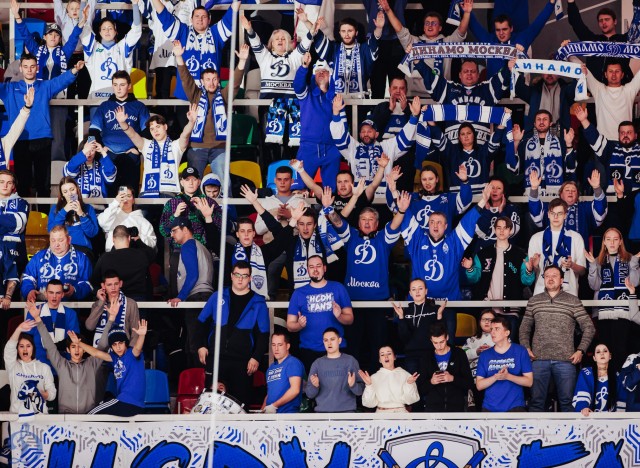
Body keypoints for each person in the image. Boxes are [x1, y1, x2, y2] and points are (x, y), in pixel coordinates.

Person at [323, 188, 409, 372]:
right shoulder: (352, 236)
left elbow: (395, 225)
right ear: (358, 222)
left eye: (371, 219)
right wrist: (329, 209)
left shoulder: (383, 239)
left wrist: (401, 211)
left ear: (377, 224)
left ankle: (376, 382)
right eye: (364, 219)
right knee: (353, 346)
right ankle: (353, 382)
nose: (367, 222)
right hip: (352, 304)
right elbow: (337, 222)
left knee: (378, 346)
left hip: (378, 304)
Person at [401, 183, 491, 341]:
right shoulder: (418, 240)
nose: (435, 225)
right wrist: (400, 204)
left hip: (448, 305)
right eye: (432, 222)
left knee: (448, 344)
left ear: (446, 226)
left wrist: (483, 201)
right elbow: (406, 217)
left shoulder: (454, 242)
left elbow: (467, 222)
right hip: (420, 305)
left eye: (439, 222)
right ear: (427, 225)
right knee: (421, 344)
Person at [11, 0, 85, 163]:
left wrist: (81, 23)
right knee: (38, 134)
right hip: (39, 97)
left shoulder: (64, 52)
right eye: (50, 34)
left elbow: (73, 38)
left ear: (60, 38)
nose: (53, 37)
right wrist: (17, 16)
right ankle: (36, 167)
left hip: (59, 98)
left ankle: (57, 168)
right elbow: (26, 35)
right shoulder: (37, 50)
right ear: (44, 36)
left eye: (56, 35)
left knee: (58, 135)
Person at [0, 53, 83, 196]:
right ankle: (25, 211)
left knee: (43, 185)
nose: (29, 69)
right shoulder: (9, 89)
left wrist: (75, 70)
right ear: (20, 68)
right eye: (26, 66)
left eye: (32, 66)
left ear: (37, 68)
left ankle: (44, 212)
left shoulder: (45, 86)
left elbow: (61, 81)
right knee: (22, 184)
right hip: (19, 139)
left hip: (43, 139)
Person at [519, 265, 596, 412]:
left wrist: (581, 350)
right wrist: (526, 348)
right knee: (536, 402)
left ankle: (569, 429)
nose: (550, 278)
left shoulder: (573, 301)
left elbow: (589, 327)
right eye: (547, 276)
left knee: (568, 403)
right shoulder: (534, 301)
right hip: (538, 359)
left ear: (561, 280)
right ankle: (536, 429)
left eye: (554, 275)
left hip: (565, 360)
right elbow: (524, 328)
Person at [172, 40, 247, 182]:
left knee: (224, 184)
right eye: (207, 79)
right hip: (197, 148)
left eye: (214, 79)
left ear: (218, 81)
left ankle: (224, 200)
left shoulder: (224, 96)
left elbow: (235, 83)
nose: (211, 83)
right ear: (202, 81)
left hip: (220, 147)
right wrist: (179, 57)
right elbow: (186, 78)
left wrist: (242, 61)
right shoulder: (196, 94)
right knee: (193, 183)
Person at [197, 261, 270, 403]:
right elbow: (201, 323)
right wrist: (201, 345)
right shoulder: (218, 296)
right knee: (211, 403)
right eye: (237, 275)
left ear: (250, 278)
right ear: (231, 276)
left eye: (244, 276)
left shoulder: (258, 302)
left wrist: (256, 357)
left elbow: (263, 334)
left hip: (242, 362)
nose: (240, 279)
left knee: (241, 403)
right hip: (216, 359)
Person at [241, 12, 314, 152]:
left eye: (283, 39)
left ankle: (290, 165)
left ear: (289, 43)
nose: (280, 41)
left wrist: (307, 23)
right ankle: (271, 165)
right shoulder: (264, 57)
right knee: (270, 145)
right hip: (269, 106)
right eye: (277, 39)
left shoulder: (294, 58)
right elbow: (255, 42)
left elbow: (307, 41)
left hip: (292, 107)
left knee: (291, 146)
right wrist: (249, 30)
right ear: (271, 43)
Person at [151, 0, 239, 101]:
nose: (200, 19)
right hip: (185, 97)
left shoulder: (216, 33)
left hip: (211, 98)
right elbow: (165, 17)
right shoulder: (183, 32)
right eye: (197, 16)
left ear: (209, 20)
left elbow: (230, 17)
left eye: (204, 17)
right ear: (191, 19)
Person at [464, 216, 534, 337]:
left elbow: (526, 281)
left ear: (510, 231)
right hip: (488, 308)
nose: (502, 231)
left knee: (509, 343)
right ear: (494, 230)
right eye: (499, 228)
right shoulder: (483, 254)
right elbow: (474, 278)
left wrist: (529, 270)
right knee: (486, 343)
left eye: (505, 228)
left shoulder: (520, 255)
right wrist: (470, 268)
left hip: (511, 310)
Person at [414, 57, 510, 145]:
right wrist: (417, 61)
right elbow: (429, 76)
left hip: (481, 149)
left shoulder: (487, 89)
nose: (469, 74)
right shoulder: (449, 89)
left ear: (478, 75)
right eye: (465, 71)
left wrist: (510, 66)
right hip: (453, 148)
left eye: (473, 71)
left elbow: (503, 77)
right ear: (460, 75)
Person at [330, 94, 420, 187]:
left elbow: (405, 139)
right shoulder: (353, 148)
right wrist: (336, 113)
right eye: (363, 131)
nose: (366, 134)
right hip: (360, 194)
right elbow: (340, 138)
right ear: (360, 134)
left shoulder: (387, 147)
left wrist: (414, 117)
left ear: (376, 134)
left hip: (382, 194)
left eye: (369, 131)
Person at [30, 304, 106, 414]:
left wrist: (111, 319)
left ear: (85, 349)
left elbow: (102, 346)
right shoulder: (62, 365)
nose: (77, 350)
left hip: (88, 416)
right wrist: (38, 319)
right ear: (68, 350)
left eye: (80, 347)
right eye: (73, 347)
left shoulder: (92, 364)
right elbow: (49, 344)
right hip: (66, 417)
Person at [287, 255, 354, 372]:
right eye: (311, 267)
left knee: (338, 383)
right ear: (307, 270)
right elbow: (290, 325)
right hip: (309, 350)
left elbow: (350, 319)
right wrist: (299, 325)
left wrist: (339, 316)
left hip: (336, 348)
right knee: (314, 383)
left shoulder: (338, 288)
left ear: (324, 268)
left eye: (318, 266)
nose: (315, 270)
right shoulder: (298, 293)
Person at [381, 0, 471, 87]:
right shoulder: (414, 42)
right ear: (424, 28)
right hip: (416, 94)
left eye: (434, 23)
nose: (430, 26)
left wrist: (467, 13)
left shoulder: (447, 43)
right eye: (427, 23)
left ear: (440, 28)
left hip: (441, 94)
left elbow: (460, 33)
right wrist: (388, 10)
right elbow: (400, 30)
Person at [88, 70, 150, 196]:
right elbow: (93, 131)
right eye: (115, 85)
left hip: (130, 155)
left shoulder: (139, 106)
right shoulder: (104, 106)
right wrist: (99, 149)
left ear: (129, 86)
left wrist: (138, 150)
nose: (118, 88)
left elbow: (147, 132)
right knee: (110, 196)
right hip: (108, 155)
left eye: (122, 85)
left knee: (128, 195)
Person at [586, 230, 640, 371]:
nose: (612, 242)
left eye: (615, 239)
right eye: (608, 239)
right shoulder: (598, 260)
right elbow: (594, 285)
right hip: (604, 312)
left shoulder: (629, 258)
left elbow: (634, 283)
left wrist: (634, 262)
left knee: (620, 349)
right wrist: (592, 265)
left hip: (624, 311)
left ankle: (620, 380)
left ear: (620, 241)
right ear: (604, 241)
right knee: (605, 350)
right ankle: (607, 380)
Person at [116, 103, 197, 197]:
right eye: (152, 129)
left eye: (158, 127)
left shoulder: (175, 145)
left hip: (170, 193)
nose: (155, 131)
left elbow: (185, 135)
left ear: (165, 127)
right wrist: (122, 123)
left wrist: (191, 122)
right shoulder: (146, 144)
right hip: (147, 193)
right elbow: (132, 134)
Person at [468, 0, 556, 77]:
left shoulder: (520, 39)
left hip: (515, 89)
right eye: (498, 30)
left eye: (504, 29)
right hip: (494, 89)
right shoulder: (489, 41)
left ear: (511, 29)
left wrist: (551, 3)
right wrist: (466, 11)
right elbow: (474, 25)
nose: (501, 33)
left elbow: (538, 23)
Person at [293, 54, 341, 191]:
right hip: (309, 147)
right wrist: (304, 67)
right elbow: (297, 85)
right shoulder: (306, 94)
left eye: (324, 71)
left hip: (332, 147)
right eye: (318, 71)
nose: (321, 73)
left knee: (331, 190)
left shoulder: (336, 98)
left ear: (330, 75)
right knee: (300, 187)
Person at [82, 321, 148, 416]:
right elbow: (96, 353)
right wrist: (78, 343)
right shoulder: (114, 357)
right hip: (127, 404)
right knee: (99, 412)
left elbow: (137, 348)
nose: (118, 347)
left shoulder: (131, 353)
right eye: (114, 345)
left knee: (89, 415)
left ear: (125, 343)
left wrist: (141, 336)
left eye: (120, 343)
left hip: (128, 402)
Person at [528, 170, 607, 247]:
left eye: (573, 191)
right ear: (561, 194)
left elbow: (600, 211)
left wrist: (596, 188)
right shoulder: (551, 207)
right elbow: (536, 212)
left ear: (577, 195)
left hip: (580, 252)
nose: (570, 192)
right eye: (567, 190)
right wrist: (534, 188)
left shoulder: (586, 208)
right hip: (555, 252)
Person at [568, 57, 640, 141]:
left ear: (622, 75)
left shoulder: (629, 90)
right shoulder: (599, 89)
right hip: (602, 143)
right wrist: (568, 53)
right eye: (610, 71)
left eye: (617, 71)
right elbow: (582, 68)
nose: (614, 74)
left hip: (625, 141)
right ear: (605, 74)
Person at [386, 164, 472, 234]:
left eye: (431, 179)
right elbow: (393, 205)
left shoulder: (448, 199)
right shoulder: (411, 198)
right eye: (424, 179)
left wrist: (464, 181)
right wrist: (392, 186)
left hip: (442, 247)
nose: (427, 182)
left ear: (437, 179)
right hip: (416, 246)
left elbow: (464, 202)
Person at [82, 0, 142, 98]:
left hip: (119, 101)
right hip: (96, 99)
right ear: (99, 32)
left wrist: (135, 5)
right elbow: (84, 30)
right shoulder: (93, 47)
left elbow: (136, 30)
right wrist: (83, 5)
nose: (107, 31)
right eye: (104, 29)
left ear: (116, 31)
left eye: (110, 28)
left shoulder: (122, 47)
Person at [574, 105, 640, 194]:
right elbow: (594, 138)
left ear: (635, 135)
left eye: (629, 132)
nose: (625, 135)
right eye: (622, 133)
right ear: (618, 135)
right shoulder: (610, 149)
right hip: (614, 197)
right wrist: (583, 120)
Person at [527, 198, 586, 296]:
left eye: (559, 213)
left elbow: (582, 271)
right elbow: (533, 271)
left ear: (565, 215)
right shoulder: (536, 238)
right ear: (548, 214)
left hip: (568, 293)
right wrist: (534, 265)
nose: (556, 217)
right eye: (552, 213)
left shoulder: (576, 237)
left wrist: (572, 265)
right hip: (542, 292)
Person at [314, 15, 384, 97]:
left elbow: (374, 42)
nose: (346, 34)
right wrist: (306, 22)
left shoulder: (363, 49)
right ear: (339, 33)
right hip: (337, 100)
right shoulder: (334, 48)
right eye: (343, 31)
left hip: (360, 100)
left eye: (350, 31)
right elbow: (318, 37)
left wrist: (379, 28)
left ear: (356, 32)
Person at [509, 111, 576, 196]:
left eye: (545, 119)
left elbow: (571, 168)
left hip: (556, 195)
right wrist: (516, 142)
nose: (541, 122)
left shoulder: (561, 142)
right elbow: (514, 169)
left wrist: (569, 144)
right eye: (538, 119)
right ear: (534, 124)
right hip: (532, 192)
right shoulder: (525, 143)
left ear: (550, 123)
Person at [476, 316, 533, 412]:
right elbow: (479, 385)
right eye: (491, 329)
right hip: (490, 407)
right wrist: (496, 377)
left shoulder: (520, 351)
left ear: (507, 333)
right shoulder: (485, 355)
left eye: (497, 329)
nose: (492, 332)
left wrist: (508, 376)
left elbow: (529, 382)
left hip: (515, 406)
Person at [430, 121, 505, 194]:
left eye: (469, 133)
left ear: (474, 135)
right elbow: (438, 137)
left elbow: (495, 140)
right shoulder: (452, 152)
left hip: (481, 197)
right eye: (462, 134)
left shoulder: (483, 151)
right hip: (457, 197)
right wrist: (431, 122)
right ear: (459, 138)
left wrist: (503, 121)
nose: (466, 136)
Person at [22, 226, 93, 301]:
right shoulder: (39, 257)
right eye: (53, 240)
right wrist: (29, 291)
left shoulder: (81, 258)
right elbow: (27, 278)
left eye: (60, 240)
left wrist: (74, 290)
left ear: (69, 240)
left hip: (72, 305)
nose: (56, 244)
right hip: (42, 305)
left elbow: (87, 283)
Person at [567, 2, 634, 81]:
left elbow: (637, 27)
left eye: (607, 19)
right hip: (594, 87)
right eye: (600, 20)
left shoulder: (624, 40)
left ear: (615, 21)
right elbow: (576, 23)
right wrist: (571, 3)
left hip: (621, 87)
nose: (603, 23)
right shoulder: (592, 40)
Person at [304, 327, 364, 412]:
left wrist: (353, 385)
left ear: (339, 340)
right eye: (326, 340)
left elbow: (361, 391)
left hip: (347, 414)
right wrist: (315, 386)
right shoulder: (317, 364)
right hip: (323, 414)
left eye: (332, 339)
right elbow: (310, 394)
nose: (329, 343)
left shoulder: (350, 361)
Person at [4, 320, 56, 416]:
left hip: (40, 418)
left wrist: (42, 394)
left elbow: (52, 393)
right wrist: (19, 329)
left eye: (28, 346)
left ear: (33, 348)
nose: (25, 349)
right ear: (17, 349)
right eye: (21, 346)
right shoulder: (13, 366)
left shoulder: (44, 368)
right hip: (17, 417)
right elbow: (9, 349)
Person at [418, 322, 473, 412]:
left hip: (456, 407)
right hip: (433, 408)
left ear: (447, 337)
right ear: (431, 340)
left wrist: (452, 378)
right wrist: (431, 382)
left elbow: (469, 383)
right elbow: (420, 389)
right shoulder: (426, 357)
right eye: (435, 343)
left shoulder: (459, 354)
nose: (439, 346)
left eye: (442, 342)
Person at [394, 278, 445, 374]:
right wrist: (401, 317)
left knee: (432, 381)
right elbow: (404, 337)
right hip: (411, 355)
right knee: (414, 382)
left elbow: (440, 334)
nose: (417, 292)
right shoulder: (405, 311)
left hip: (431, 354)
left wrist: (439, 317)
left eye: (420, 288)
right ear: (410, 293)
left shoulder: (435, 309)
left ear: (426, 291)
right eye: (414, 289)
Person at [24, 279, 81, 366]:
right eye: (51, 292)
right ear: (45, 294)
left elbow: (73, 341)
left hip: (63, 363)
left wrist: (52, 350)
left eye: (58, 293)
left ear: (62, 294)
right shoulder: (34, 311)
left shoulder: (71, 314)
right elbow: (27, 339)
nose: (54, 296)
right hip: (38, 362)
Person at [92, 225, 155, 301]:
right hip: (138, 301)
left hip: (114, 301)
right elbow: (152, 253)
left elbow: (94, 281)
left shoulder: (105, 258)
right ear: (129, 238)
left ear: (113, 239)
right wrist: (138, 240)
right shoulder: (142, 254)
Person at [86, 270, 140, 347]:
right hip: (102, 350)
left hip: (124, 350)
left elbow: (135, 332)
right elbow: (89, 326)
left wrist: (130, 351)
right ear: (103, 286)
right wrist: (101, 303)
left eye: (116, 284)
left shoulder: (131, 304)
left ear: (120, 284)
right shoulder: (97, 304)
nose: (113, 288)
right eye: (109, 285)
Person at [0, 170, 29, 309]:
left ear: (13, 186)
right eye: (1, 182)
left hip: (15, 250)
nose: (5, 186)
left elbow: (19, 225)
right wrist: (7, 223)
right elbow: (12, 224)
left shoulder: (22, 203)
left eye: (9, 182)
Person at [47, 177, 99, 256]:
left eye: (72, 189)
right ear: (62, 195)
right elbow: (52, 231)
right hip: (62, 249)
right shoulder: (55, 209)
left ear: (77, 190)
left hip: (82, 249)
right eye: (65, 191)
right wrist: (64, 211)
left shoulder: (88, 208)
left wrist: (81, 214)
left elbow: (92, 233)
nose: (70, 194)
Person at [359, 345, 419, 412]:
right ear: (380, 360)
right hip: (381, 415)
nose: (386, 356)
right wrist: (369, 385)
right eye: (382, 355)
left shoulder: (405, 375)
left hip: (401, 414)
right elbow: (368, 403)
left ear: (394, 357)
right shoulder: (374, 377)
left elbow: (411, 400)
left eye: (389, 353)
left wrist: (409, 384)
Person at [98, 186, 157, 251]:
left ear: (133, 200)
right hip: (114, 255)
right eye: (122, 196)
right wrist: (115, 203)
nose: (125, 199)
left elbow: (153, 243)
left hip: (136, 255)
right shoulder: (111, 216)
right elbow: (102, 222)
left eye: (129, 196)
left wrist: (139, 238)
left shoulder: (143, 221)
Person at [263, 331, 305, 414]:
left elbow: (295, 390)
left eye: (280, 345)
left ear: (287, 346)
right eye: (273, 345)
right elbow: (269, 394)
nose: (276, 349)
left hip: (288, 414)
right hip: (271, 415)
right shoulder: (271, 367)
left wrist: (274, 405)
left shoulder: (293, 362)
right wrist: (262, 411)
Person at [474, 177, 521, 250]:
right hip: (483, 251)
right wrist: (487, 211)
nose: (494, 190)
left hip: (505, 251)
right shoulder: (481, 207)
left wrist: (502, 212)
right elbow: (480, 232)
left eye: (498, 188)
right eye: (492, 188)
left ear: (504, 192)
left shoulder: (511, 208)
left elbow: (512, 231)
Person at [462, 310, 496, 410]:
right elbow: (462, 355)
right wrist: (476, 351)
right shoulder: (472, 340)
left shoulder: (501, 338)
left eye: (490, 320)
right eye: (484, 319)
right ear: (479, 322)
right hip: (475, 377)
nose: (487, 322)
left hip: (494, 376)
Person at [573, 343, 619, 415]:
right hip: (590, 417)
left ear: (610, 356)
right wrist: (584, 407)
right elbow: (583, 391)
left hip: (611, 418)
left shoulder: (617, 375)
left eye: (605, 351)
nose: (602, 354)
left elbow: (621, 399)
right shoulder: (586, 373)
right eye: (598, 352)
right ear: (594, 358)